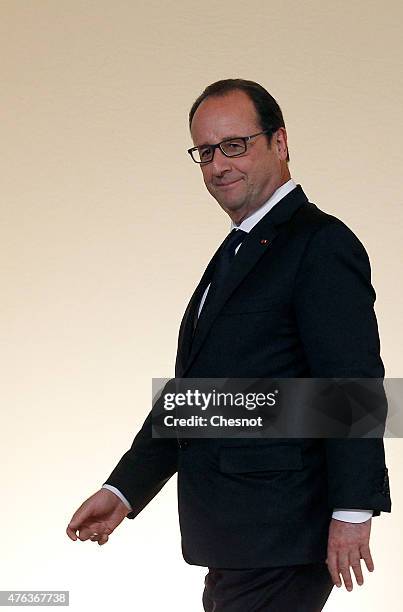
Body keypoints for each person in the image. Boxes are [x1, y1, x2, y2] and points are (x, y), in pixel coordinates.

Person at [66, 79, 391, 611]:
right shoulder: (239, 249)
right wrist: (124, 491)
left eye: (235, 146)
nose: (218, 166)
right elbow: (201, 397)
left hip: (282, 535)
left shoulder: (320, 245)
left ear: (280, 143)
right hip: (237, 540)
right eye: (205, 152)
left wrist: (353, 512)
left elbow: (352, 385)